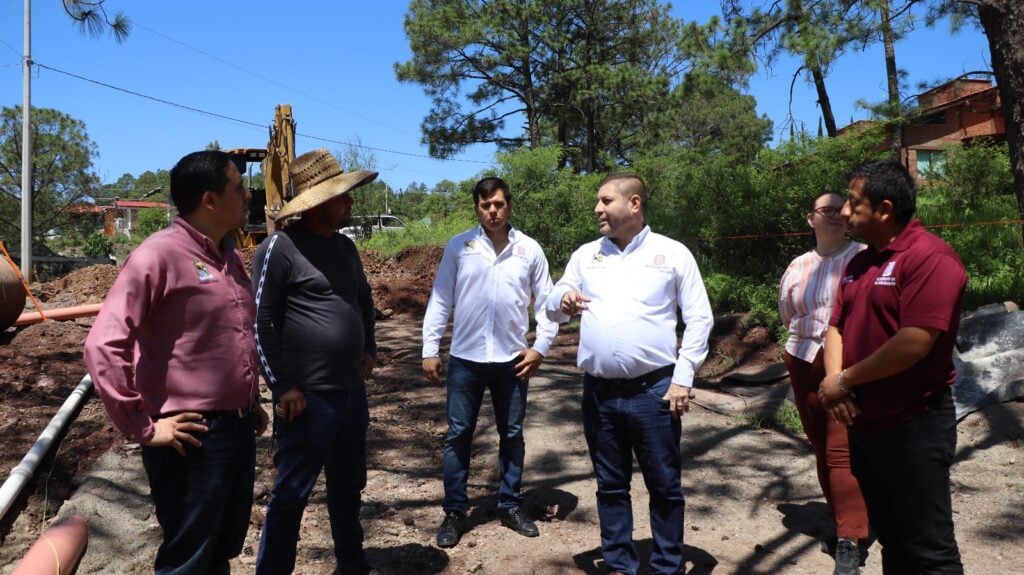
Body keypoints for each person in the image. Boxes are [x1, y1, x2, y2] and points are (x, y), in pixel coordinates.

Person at [84, 150, 268, 575]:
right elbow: (102, 346)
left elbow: (227, 337)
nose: (248, 195)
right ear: (210, 200)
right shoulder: (158, 256)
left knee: (219, 549)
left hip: (235, 429)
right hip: (191, 438)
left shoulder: (230, 256)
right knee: (187, 558)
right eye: (239, 188)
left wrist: (249, 400)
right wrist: (142, 427)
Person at [545, 173, 714, 575]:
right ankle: (620, 564)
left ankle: (667, 565)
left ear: (634, 204)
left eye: (605, 201)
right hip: (600, 393)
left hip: (654, 391)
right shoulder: (586, 255)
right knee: (610, 485)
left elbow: (700, 318)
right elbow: (552, 303)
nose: (597, 209)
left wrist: (684, 377)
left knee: (665, 486)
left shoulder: (672, 254)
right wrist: (562, 298)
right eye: (598, 202)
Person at [818, 160, 966, 574]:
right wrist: (837, 386)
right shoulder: (860, 263)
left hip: (915, 424)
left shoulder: (930, 258)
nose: (845, 212)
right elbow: (837, 327)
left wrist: (845, 380)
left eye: (853, 203)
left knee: (929, 549)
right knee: (893, 542)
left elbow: (915, 341)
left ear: (884, 209)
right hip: (867, 424)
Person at [251, 149, 379, 575]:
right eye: (342, 197)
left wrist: (370, 350)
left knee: (348, 487)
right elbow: (259, 318)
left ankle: (352, 563)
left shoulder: (345, 247)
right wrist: (281, 385)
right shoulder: (280, 248)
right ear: (318, 203)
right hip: (305, 400)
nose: (350, 202)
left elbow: (362, 298)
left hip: (349, 395)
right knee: (291, 495)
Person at [421, 176, 558, 548]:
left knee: (511, 434)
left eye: (498, 204)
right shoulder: (459, 247)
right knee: (458, 435)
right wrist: (429, 348)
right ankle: (454, 512)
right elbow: (440, 299)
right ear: (476, 208)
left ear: (508, 205)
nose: (492, 211)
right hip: (466, 358)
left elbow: (547, 303)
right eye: (485, 206)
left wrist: (541, 347)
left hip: (512, 360)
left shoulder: (529, 250)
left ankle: (510, 505)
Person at [778, 192, 869, 575]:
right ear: (810, 219)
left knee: (840, 448)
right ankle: (840, 519)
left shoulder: (864, 257)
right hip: (802, 361)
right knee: (819, 444)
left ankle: (850, 539)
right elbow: (787, 312)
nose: (833, 216)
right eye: (824, 210)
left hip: (849, 366)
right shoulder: (798, 265)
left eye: (839, 210)